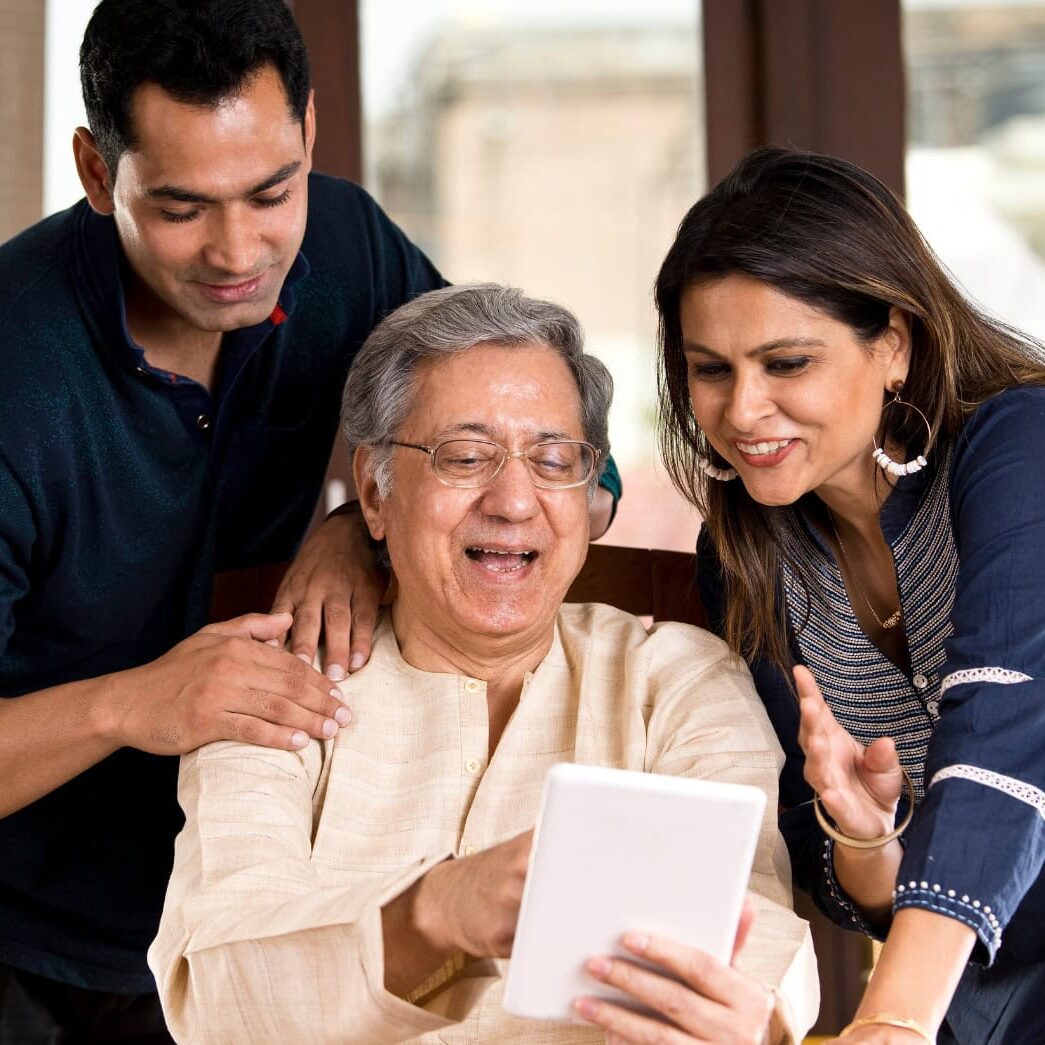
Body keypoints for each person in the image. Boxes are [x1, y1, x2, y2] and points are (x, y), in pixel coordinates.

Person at [0, 2, 621, 1039]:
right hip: (23, 930)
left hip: (240, 917)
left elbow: (476, 439)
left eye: (270, 191)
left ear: (310, 135)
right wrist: (131, 705)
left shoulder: (342, 244)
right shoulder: (17, 374)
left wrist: (353, 520)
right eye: (182, 207)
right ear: (98, 173)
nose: (238, 249)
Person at [148, 283, 819, 1044]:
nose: (513, 500)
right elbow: (220, 1002)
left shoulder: (675, 679)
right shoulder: (273, 687)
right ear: (373, 491)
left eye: (554, 458)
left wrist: (751, 1020)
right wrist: (435, 914)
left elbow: (755, 926)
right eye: (464, 456)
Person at [654, 145, 1045, 1044]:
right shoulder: (749, 555)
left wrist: (895, 1018)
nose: (742, 408)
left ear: (893, 346)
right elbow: (818, 849)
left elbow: (1004, 731)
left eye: (785, 363)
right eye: (710, 369)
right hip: (978, 994)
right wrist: (868, 846)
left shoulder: (1018, 449)